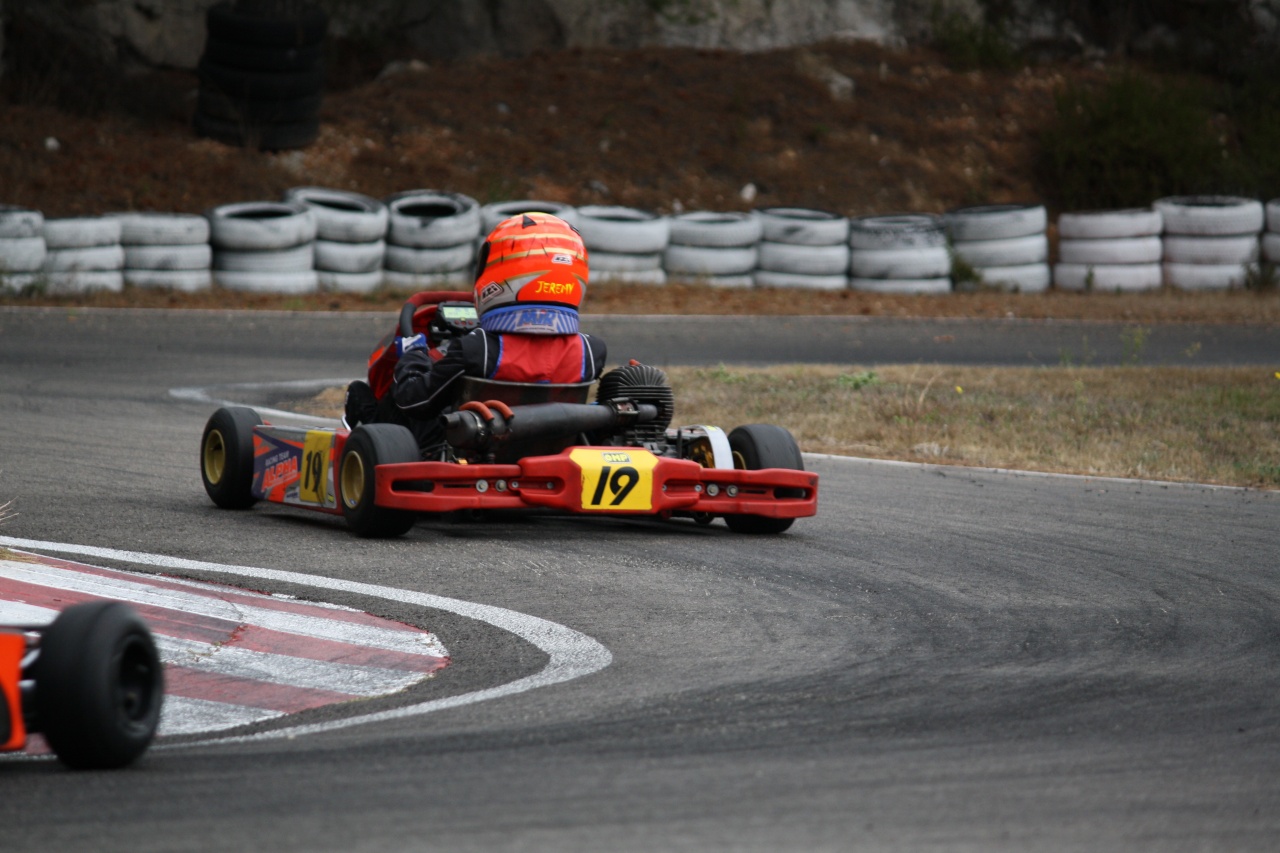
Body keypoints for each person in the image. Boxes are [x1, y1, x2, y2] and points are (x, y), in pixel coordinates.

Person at [350, 212, 607, 454]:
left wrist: (414, 355)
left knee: (359, 395)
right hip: (553, 453)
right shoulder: (590, 351)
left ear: (504, 273)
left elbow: (413, 402)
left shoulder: (479, 348)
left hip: (473, 454)